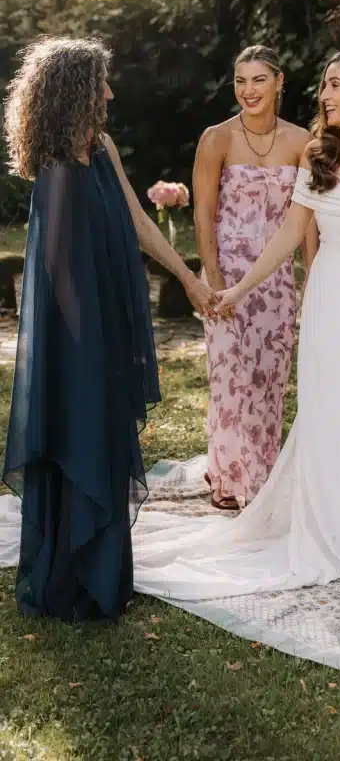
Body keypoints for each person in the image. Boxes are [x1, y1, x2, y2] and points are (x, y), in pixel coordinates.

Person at [128, 49, 340, 601]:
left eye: (336, 85)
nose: (326, 95)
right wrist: (236, 289)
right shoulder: (322, 155)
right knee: (323, 416)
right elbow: (291, 233)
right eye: (324, 86)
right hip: (325, 302)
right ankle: (322, 523)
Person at [1, 36, 216, 621]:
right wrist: (90, 354)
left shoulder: (102, 149)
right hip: (76, 340)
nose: (111, 92)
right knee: (80, 438)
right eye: (101, 83)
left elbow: (140, 222)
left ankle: (103, 573)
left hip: (105, 324)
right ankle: (74, 583)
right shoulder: (56, 169)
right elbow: (60, 274)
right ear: (74, 91)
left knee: (102, 440)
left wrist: (189, 279)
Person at [193, 45, 317, 511]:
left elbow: (307, 220)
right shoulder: (216, 138)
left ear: (279, 82)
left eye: (259, 80)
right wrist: (213, 281)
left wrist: (312, 277)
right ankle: (226, 478)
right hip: (227, 275)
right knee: (229, 377)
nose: (248, 90)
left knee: (269, 377)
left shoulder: (302, 141)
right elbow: (203, 217)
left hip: (277, 280)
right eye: (241, 81)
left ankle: (262, 473)